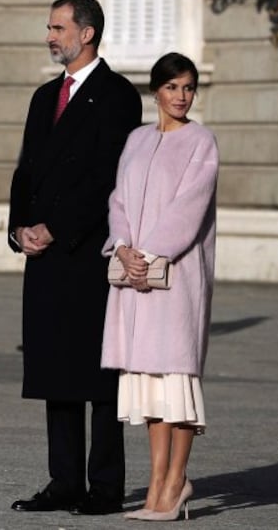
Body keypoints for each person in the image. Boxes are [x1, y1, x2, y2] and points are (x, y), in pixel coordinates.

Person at [8, 0, 142, 516]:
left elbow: (109, 178)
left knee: (98, 375)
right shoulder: (45, 97)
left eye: (58, 27)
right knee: (53, 373)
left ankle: (104, 486)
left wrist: (55, 227)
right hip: (43, 256)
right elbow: (25, 172)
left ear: (86, 33)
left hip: (87, 253)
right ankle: (63, 481)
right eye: (48, 27)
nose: (50, 36)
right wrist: (19, 228)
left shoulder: (117, 96)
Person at [101, 52, 218, 522]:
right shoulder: (135, 140)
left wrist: (147, 255)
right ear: (156, 92)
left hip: (178, 278)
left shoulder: (202, 142)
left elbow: (188, 210)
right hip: (135, 277)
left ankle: (176, 482)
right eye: (172, 88)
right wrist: (123, 246)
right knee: (149, 383)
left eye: (189, 88)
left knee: (177, 379)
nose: (182, 97)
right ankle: (157, 485)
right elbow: (118, 199)